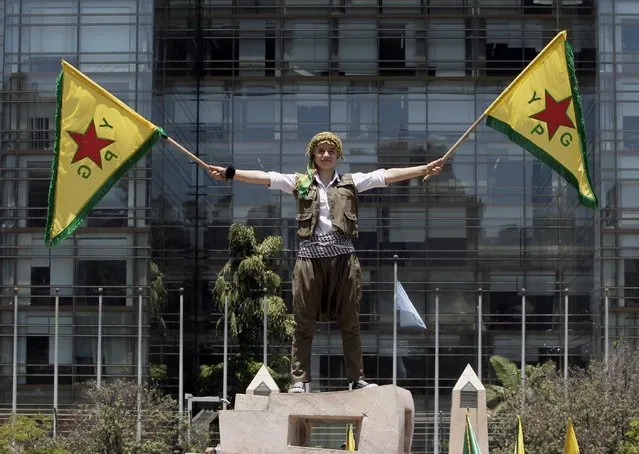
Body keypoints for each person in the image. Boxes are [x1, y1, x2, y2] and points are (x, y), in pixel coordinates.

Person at [208, 131, 443, 393]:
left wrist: (425, 167)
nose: (326, 155)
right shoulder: (299, 182)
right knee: (303, 321)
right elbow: (265, 177)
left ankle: (356, 379)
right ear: (313, 155)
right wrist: (230, 172)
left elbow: (385, 175)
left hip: (344, 260)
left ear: (338, 155)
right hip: (310, 260)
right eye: (321, 151)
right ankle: (299, 380)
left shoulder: (351, 182)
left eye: (331, 151)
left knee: (350, 322)